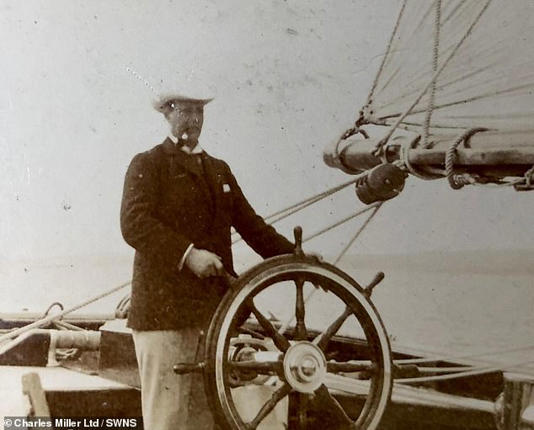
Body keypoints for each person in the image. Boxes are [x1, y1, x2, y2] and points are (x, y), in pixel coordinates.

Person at [120, 91, 295, 430]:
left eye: (199, 110)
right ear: (166, 114)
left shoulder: (219, 170)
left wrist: (295, 257)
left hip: (213, 319)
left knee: (205, 418)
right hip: (163, 318)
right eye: (185, 110)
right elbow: (134, 224)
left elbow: (253, 227)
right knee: (167, 419)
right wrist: (188, 255)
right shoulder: (148, 163)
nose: (194, 118)